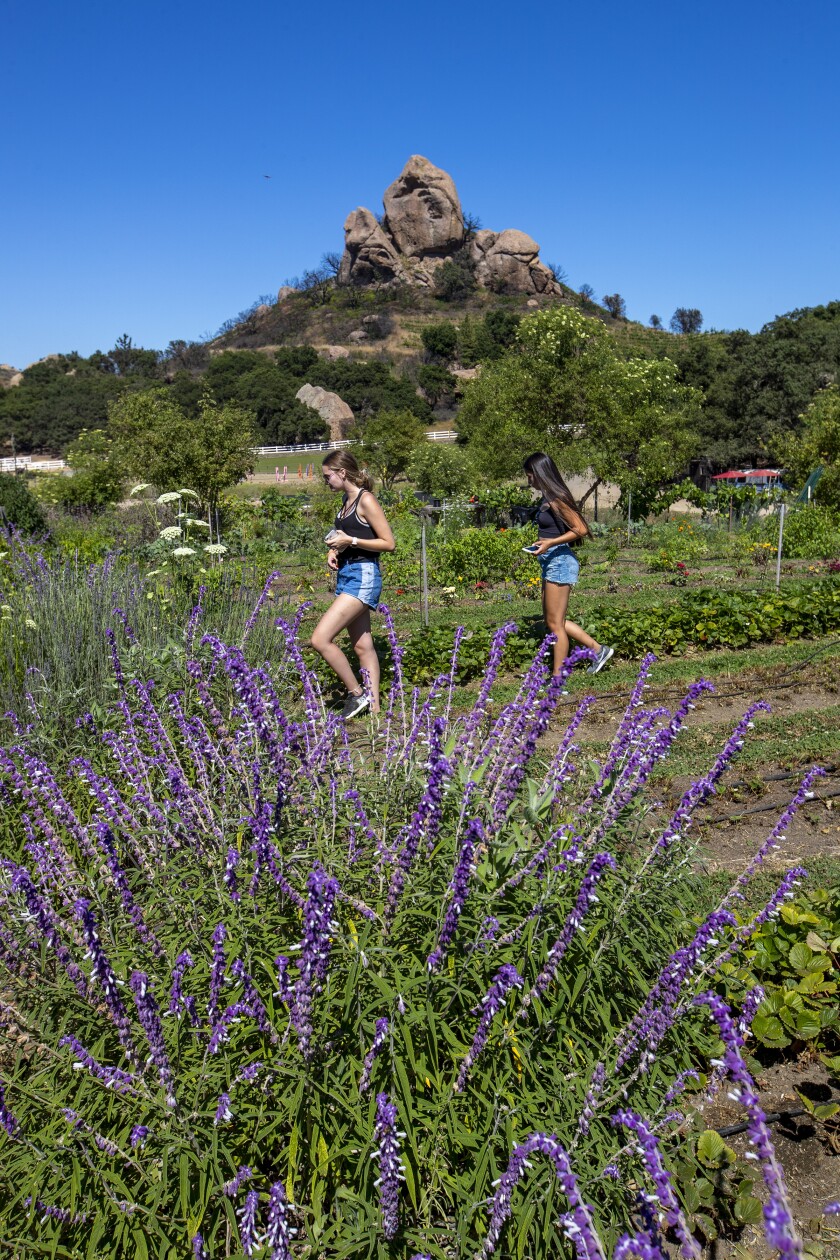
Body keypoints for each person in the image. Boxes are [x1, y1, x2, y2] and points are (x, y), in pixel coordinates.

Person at [310, 450, 395, 719]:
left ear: (342, 472)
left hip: (363, 576)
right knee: (362, 646)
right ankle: (376, 708)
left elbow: (388, 543)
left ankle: (357, 694)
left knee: (320, 638)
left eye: (328, 476)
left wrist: (351, 542)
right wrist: (335, 551)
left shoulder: (365, 499)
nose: (326, 481)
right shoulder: (346, 502)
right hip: (348, 573)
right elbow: (349, 535)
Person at [523, 451, 614, 677]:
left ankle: (557, 679)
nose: (529, 481)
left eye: (529, 476)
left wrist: (551, 542)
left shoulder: (556, 498)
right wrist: (544, 543)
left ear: (539, 474)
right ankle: (598, 650)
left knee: (555, 626)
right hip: (552, 561)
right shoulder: (548, 498)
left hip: (560, 562)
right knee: (554, 621)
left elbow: (581, 529)